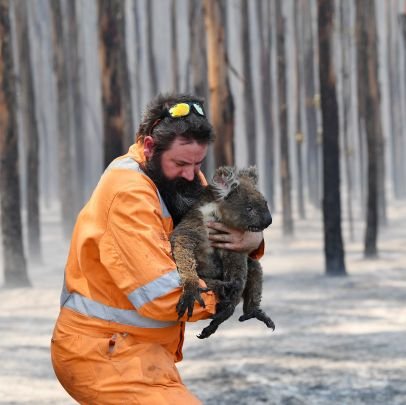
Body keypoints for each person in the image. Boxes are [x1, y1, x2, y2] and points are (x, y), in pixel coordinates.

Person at [51, 93, 264, 404]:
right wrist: (229, 293)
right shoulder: (129, 194)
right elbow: (163, 295)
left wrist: (254, 242)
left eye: (198, 163)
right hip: (103, 355)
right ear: (150, 147)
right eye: (181, 163)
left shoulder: (177, 177)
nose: (193, 174)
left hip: (141, 353)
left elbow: (221, 227)